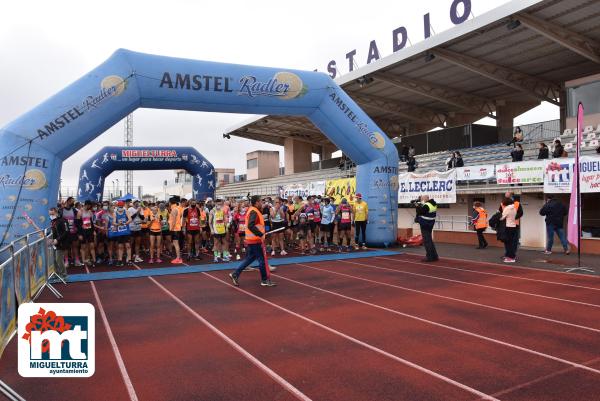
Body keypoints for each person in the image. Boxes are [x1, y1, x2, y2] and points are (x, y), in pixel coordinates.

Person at [229, 195, 276, 287]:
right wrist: (260, 234)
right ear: (256, 202)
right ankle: (264, 280)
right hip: (255, 240)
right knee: (262, 260)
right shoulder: (254, 211)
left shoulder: (253, 211)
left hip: (253, 240)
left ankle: (235, 273)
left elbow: (256, 225)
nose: (262, 203)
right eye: (260, 202)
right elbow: (251, 225)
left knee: (250, 259)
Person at [415, 195, 438, 262]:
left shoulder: (427, 205)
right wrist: (421, 204)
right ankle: (434, 256)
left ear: (426, 199)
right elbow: (426, 211)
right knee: (429, 240)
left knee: (427, 241)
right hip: (430, 224)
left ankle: (429, 257)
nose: (421, 200)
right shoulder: (433, 204)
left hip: (425, 224)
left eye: (422, 199)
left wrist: (417, 206)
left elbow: (420, 212)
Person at [49, 207, 70, 280]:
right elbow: (53, 232)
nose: (51, 215)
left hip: (61, 243)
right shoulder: (52, 221)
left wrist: (58, 240)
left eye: (52, 213)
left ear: (56, 212)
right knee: (53, 259)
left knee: (58, 259)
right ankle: (57, 274)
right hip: (54, 243)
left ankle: (64, 275)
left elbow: (66, 232)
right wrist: (51, 240)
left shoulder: (63, 220)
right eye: (50, 214)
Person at [77, 200, 96, 267]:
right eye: (90, 205)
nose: (90, 207)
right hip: (83, 232)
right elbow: (78, 224)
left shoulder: (90, 212)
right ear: (86, 205)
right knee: (83, 247)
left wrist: (93, 231)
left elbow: (91, 222)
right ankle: (83, 261)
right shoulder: (80, 212)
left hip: (90, 231)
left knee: (91, 245)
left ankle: (94, 260)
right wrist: (79, 234)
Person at [112, 201, 132, 266]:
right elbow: (113, 222)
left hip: (126, 231)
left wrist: (126, 223)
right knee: (120, 246)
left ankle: (129, 260)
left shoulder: (126, 211)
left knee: (128, 246)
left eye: (121, 206)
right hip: (119, 232)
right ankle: (120, 260)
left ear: (123, 206)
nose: (120, 208)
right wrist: (118, 224)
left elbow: (130, 219)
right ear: (117, 206)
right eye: (119, 206)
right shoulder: (115, 213)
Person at [500, 197, 518, 263]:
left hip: (508, 226)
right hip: (513, 226)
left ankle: (511, 257)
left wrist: (502, 208)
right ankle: (510, 255)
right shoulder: (514, 208)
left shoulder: (507, 208)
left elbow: (502, 217)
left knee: (508, 243)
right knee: (511, 242)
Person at [168, 197, 183, 264]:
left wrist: (171, 229)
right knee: (176, 244)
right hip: (177, 228)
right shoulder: (178, 208)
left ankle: (178, 258)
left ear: (170, 203)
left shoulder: (174, 209)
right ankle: (178, 257)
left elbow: (173, 221)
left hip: (175, 229)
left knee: (176, 244)